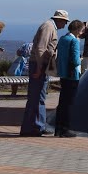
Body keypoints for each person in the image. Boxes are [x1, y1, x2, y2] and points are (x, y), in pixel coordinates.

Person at [20, 9, 69, 137]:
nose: (64, 25)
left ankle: (33, 126)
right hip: (39, 64)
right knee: (38, 97)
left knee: (37, 97)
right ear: (60, 20)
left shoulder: (50, 26)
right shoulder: (48, 27)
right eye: (64, 22)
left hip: (40, 64)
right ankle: (36, 127)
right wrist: (39, 68)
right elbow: (40, 48)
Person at [55, 20, 84, 138]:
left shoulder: (63, 39)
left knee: (62, 102)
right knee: (69, 103)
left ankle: (58, 127)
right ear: (77, 29)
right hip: (72, 75)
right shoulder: (74, 41)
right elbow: (75, 60)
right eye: (81, 30)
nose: (81, 33)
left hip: (63, 73)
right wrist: (80, 60)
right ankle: (65, 129)